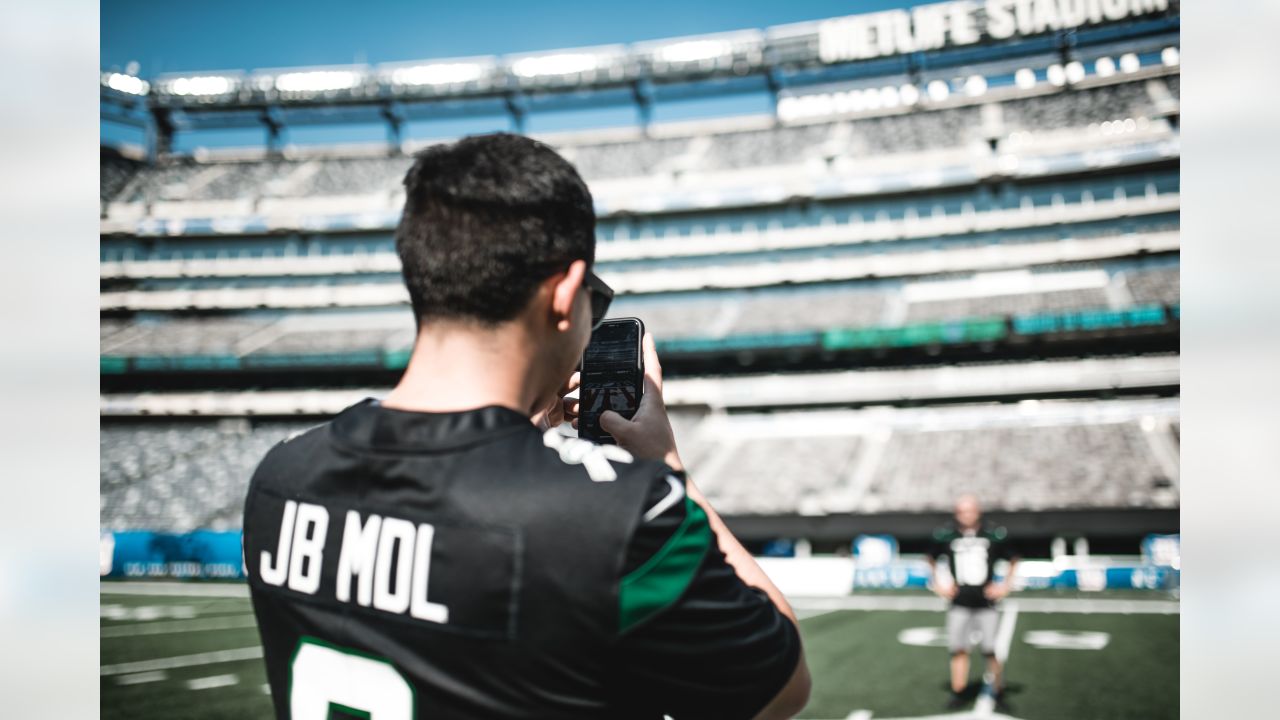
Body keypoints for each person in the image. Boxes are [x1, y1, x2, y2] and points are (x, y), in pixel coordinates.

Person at [241, 133, 811, 720]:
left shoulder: (281, 475)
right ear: (565, 295)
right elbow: (778, 687)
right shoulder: (619, 513)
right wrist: (664, 464)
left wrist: (520, 439)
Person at [926, 494, 1018, 710]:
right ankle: (959, 691)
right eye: (961, 511)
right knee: (958, 648)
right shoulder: (946, 534)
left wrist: (1004, 585)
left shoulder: (993, 533)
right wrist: (938, 583)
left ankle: (998, 691)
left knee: (989, 649)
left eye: (970, 510)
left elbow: (1014, 558)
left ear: (978, 511)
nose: (966, 515)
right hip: (959, 602)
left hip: (986, 602)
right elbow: (929, 557)